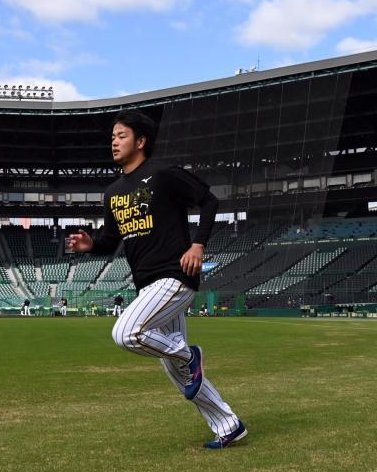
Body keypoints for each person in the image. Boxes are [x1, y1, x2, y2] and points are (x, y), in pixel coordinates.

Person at [66, 109, 246, 449]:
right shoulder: (113, 192)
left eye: (121, 136)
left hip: (175, 276)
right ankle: (228, 424)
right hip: (147, 283)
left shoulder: (162, 174)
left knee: (127, 332)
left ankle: (188, 354)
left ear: (141, 141)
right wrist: (91, 245)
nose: (114, 142)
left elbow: (209, 200)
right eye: (113, 137)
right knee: (176, 370)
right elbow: (110, 241)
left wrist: (197, 244)